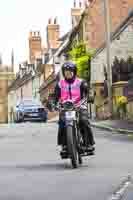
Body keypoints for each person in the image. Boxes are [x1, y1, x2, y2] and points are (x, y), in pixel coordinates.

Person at [54, 61, 95, 154]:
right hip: (65, 107)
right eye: (66, 72)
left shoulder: (81, 82)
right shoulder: (60, 84)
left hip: (79, 106)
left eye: (70, 71)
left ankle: (88, 144)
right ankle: (64, 145)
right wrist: (53, 103)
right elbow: (55, 97)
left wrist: (90, 96)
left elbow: (89, 91)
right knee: (61, 123)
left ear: (74, 72)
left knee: (84, 121)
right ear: (63, 73)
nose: (68, 73)